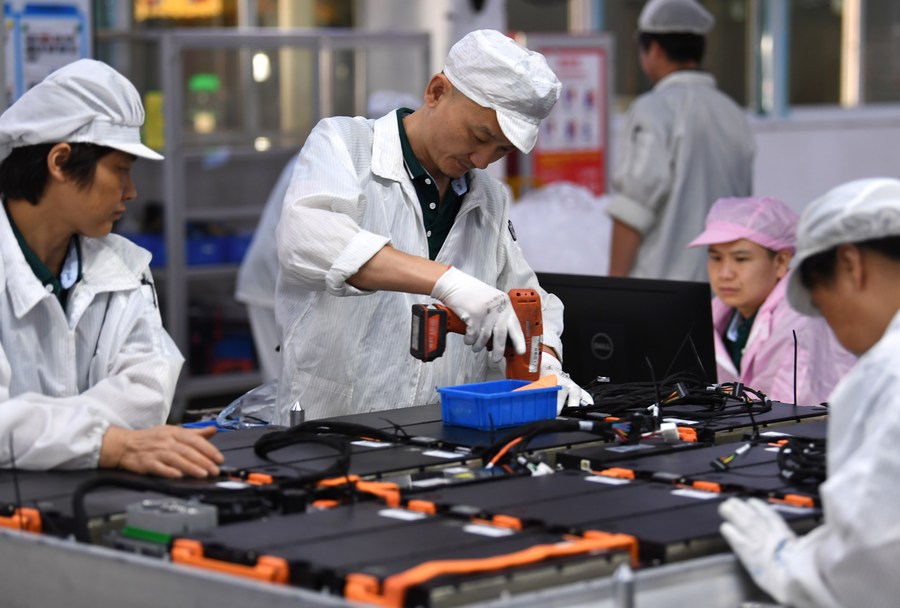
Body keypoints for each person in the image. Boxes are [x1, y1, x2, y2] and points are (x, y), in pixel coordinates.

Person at [274, 30, 591, 422]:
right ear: (437, 92)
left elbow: (528, 300)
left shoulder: (488, 197)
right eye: (480, 136)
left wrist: (545, 364)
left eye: (502, 150)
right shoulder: (345, 145)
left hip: (442, 438)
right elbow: (310, 240)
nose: (482, 160)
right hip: (333, 428)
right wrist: (448, 282)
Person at [0, 59, 223, 478]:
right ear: (60, 161)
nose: (132, 191)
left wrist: (41, 432)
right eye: (120, 170)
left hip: (87, 488)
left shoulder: (122, 266)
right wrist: (108, 442)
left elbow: (149, 391)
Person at [719, 178, 900, 608]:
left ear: (852, 265)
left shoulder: (887, 373)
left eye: (820, 302)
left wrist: (785, 562)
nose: (828, 324)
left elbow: (870, 568)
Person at [235, 91, 420, 382]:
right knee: (285, 380)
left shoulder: (372, 159)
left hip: (300, 281)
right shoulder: (334, 153)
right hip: (273, 283)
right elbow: (319, 239)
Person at [607, 0, 755, 281]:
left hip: (661, 292)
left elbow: (633, 209)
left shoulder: (653, 109)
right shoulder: (733, 113)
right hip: (722, 289)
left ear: (655, 50)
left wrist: (614, 285)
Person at [687, 196, 855, 405]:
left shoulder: (801, 321)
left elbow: (786, 414)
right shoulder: (711, 314)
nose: (725, 273)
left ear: (781, 261)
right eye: (716, 257)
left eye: (741, 259)